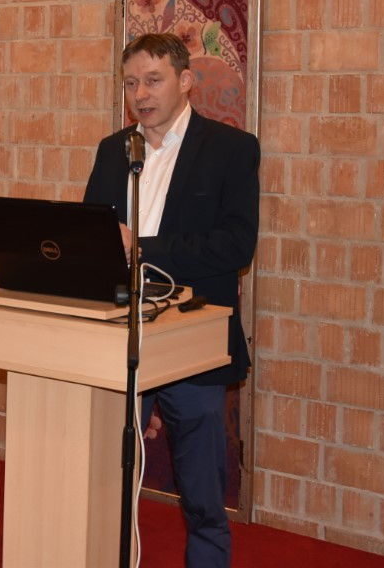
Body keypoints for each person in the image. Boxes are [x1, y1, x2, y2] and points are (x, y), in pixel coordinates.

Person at [83, 31, 259, 568]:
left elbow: (235, 244)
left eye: (153, 80)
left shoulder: (231, 149)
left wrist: (142, 248)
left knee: (202, 495)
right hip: (121, 333)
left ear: (185, 81)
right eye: (131, 83)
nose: (140, 94)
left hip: (192, 340)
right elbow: (93, 237)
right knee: (104, 482)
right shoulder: (113, 149)